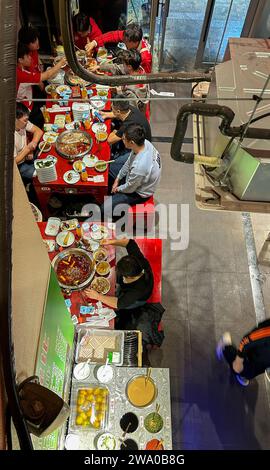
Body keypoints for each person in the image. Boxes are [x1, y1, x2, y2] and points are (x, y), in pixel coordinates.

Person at [101, 123, 161, 220]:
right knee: (110, 171)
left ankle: (117, 220)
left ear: (132, 142)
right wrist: (118, 178)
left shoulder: (140, 167)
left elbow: (130, 188)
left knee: (103, 209)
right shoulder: (144, 143)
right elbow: (129, 161)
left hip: (139, 192)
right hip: (136, 180)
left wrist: (118, 189)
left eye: (124, 139)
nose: (122, 140)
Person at [84, 238, 153, 310]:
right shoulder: (137, 260)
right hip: (129, 285)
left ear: (128, 277)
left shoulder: (138, 290)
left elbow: (119, 303)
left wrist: (98, 296)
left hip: (138, 300)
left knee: (126, 306)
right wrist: (110, 241)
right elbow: (129, 242)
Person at [16, 42, 66, 127]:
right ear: (20, 60)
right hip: (26, 108)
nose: (30, 58)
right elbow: (46, 75)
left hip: (30, 99)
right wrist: (60, 63)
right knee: (48, 119)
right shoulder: (20, 74)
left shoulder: (20, 67)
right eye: (27, 56)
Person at [100, 94, 151, 168]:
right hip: (143, 141)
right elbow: (118, 114)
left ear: (118, 111)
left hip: (141, 151)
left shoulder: (128, 124)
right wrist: (106, 114)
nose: (111, 106)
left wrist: (115, 131)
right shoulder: (128, 108)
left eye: (112, 108)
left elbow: (110, 140)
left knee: (112, 166)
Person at [216, 318, 270, 386]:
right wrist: (239, 360)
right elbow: (247, 340)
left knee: (254, 371)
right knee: (238, 368)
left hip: (264, 360)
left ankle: (244, 373)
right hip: (256, 351)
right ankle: (226, 345)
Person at [85, 23, 152, 73]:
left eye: (126, 42)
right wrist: (94, 42)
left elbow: (144, 80)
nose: (124, 43)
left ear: (135, 42)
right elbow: (112, 35)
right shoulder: (129, 35)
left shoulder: (145, 57)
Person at [14, 102, 43, 184]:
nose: (27, 122)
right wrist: (27, 149)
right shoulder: (9, 138)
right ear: (15, 119)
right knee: (41, 174)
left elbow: (38, 131)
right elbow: (13, 162)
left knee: (47, 156)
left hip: (27, 155)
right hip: (19, 166)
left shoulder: (22, 124)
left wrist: (31, 148)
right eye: (25, 120)